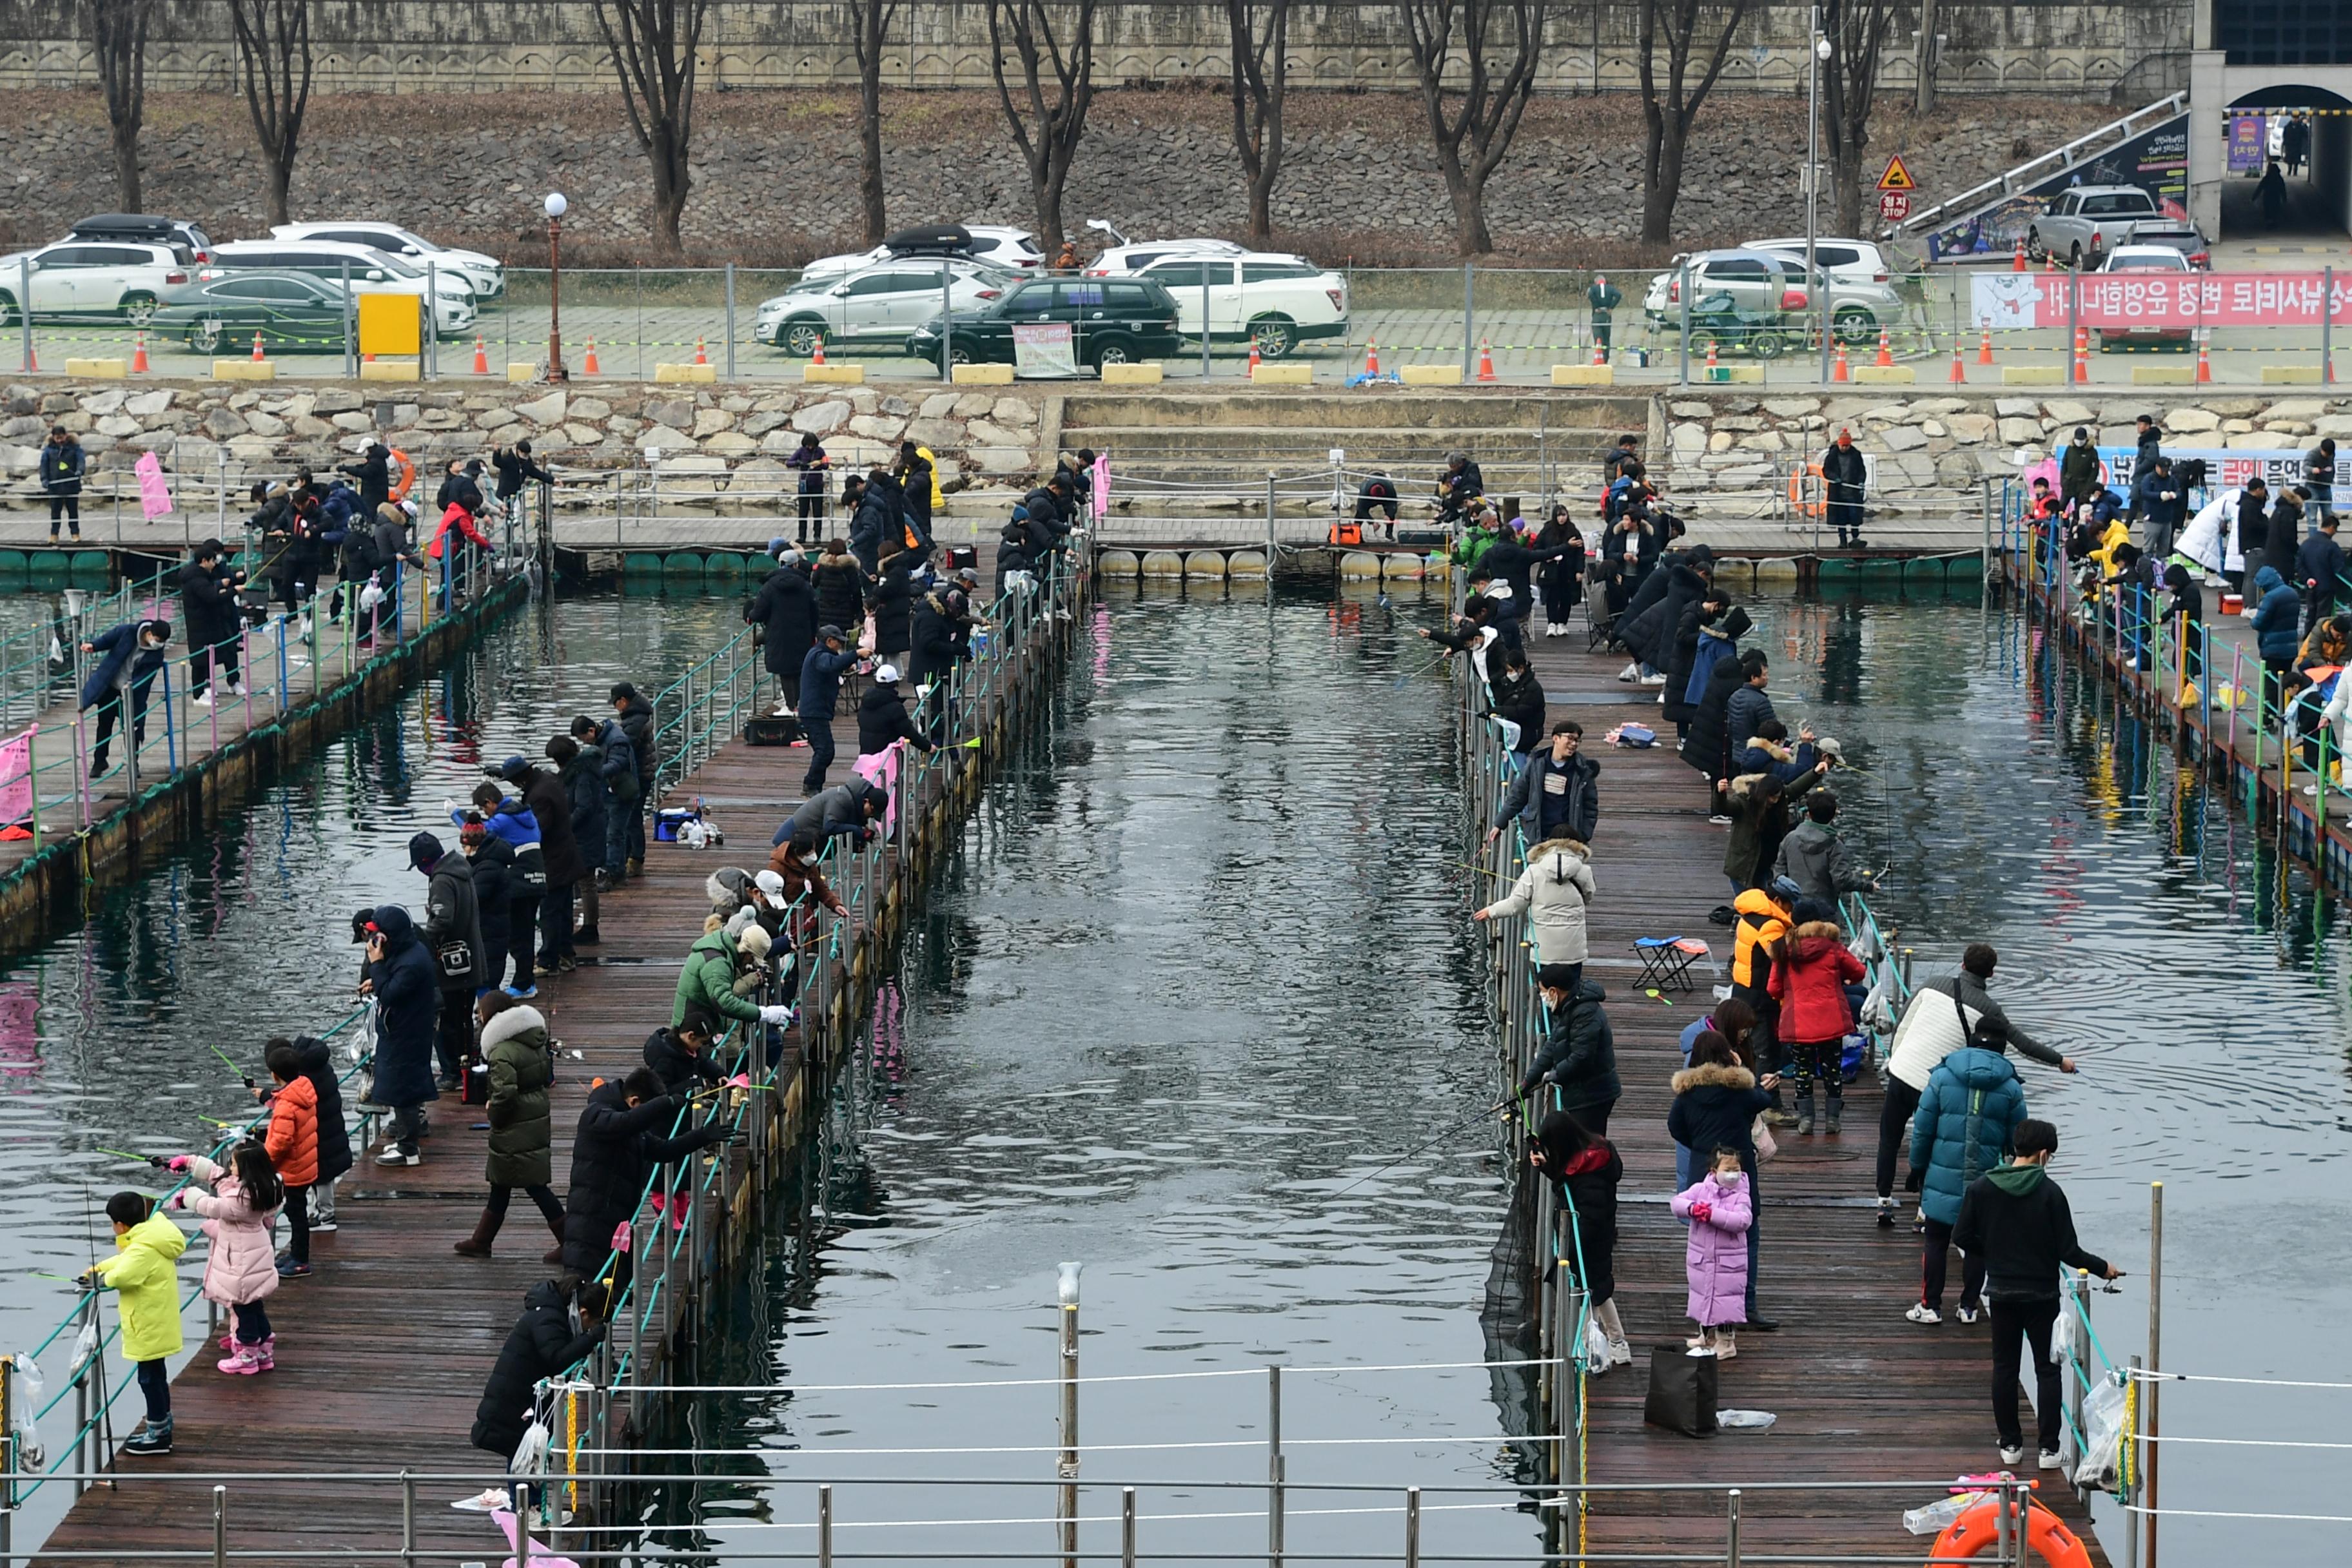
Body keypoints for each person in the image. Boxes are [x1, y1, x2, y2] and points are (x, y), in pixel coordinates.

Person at [1952, 1120, 2123, 1468]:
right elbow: (2069, 1252)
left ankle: (2010, 1446)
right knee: (2048, 1370)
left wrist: (1994, 1250)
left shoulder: (1983, 1188)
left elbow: (1962, 1237)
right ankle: (2048, 1449)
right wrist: (2104, 1267)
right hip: (2041, 1295)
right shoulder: (2050, 1193)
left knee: (2004, 1368)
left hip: (2000, 1292)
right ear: (2044, 1154)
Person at [1875, 943, 2078, 1226]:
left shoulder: (1932, 985)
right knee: (1936, 1146)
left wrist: (1896, 1059)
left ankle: (1884, 1201)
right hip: (1936, 1084)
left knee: (1889, 1138)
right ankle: (1924, 1212)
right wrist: (2060, 1061)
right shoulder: (1989, 1010)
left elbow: (1902, 1024)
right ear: (1991, 974)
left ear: (1962, 965)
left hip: (1901, 1072)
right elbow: (2023, 1045)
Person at [558, 1066, 740, 1289]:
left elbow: (664, 1150)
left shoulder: (632, 1130)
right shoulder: (596, 1116)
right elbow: (624, 1124)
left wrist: (702, 1136)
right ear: (634, 1102)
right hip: (590, 1221)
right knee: (584, 1288)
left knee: (612, 1290)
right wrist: (667, 1103)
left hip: (616, 1220)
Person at [1905, 1021, 2027, 1325]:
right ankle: (1969, 1307)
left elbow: (1922, 1129)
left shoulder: (1943, 1077)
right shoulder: (2011, 1088)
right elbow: (2019, 1142)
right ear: (2002, 1048)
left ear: (1971, 1042)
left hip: (1940, 1175)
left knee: (1935, 1239)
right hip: (1988, 1179)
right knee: (1977, 1243)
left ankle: (1930, 1306)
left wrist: (1916, 1168)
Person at [1666, 1030, 1779, 1330]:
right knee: (1747, 1236)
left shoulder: (1687, 1094)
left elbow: (1675, 1127)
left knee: (1704, 1243)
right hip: (1738, 1172)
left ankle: (1707, 1306)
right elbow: (1762, 1100)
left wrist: (1703, 1148)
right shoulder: (1739, 1090)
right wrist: (1748, 1072)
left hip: (1703, 1170)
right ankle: (1746, 1306)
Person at [472, 1279, 606, 1500]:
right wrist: (590, 1339)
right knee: (521, 1450)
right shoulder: (549, 1319)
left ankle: (530, 1505)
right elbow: (556, 1358)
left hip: (526, 1392)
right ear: (583, 1313)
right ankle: (527, 1507)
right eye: (595, 1321)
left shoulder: (552, 1313)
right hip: (517, 1395)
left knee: (528, 1448)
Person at [456, 993, 566, 1260]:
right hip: (534, 1117)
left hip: (515, 1125)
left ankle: (571, 1242)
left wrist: (493, 1110)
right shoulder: (532, 1040)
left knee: (534, 1185)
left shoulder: (501, 1051)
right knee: (502, 1183)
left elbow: (505, 1094)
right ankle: (481, 1241)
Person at [83, 1192, 188, 1455]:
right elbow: (124, 1260)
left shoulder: (143, 1248)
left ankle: (159, 1433)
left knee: (149, 1380)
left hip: (148, 1325)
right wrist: (98, 1269)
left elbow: (124, 1275)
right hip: (157, 1322)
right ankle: (162, 1424)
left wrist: (101, 1280)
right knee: (157, 1377)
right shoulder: (151, 1238)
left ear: (121, 1225)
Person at [163, 1142, 282, 1374]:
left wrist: (186, 1195)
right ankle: (264, 1348)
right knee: (253, 1304)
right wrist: (190, 1162)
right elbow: (224, 1178)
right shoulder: (265, 1187)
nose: (230, 1166)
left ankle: (247, 1353)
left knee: (242, 1305)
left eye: (235, 1163)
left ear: (246, 1170)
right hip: (255, 1252)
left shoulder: (240, 1200)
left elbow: (212, 1206)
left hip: (240, 1259)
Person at [1530, 1109, 1629, 1367]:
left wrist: (1567, 1253)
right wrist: (1547, 1168)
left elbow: (1588, 1215)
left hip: (1588, 1241)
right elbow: (1568, 1179)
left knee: (1585, 1293)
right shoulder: (1592, 1156)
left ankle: (1590, 1351)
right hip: (1595, 1237)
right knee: (1600, 1291)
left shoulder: (1589, 1178)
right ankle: (1618, 1344)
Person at [363, 903, 441, 1167]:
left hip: (406, 1033)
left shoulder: (412, 963)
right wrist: (378, 977)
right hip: (403, 1030)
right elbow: (390, 984)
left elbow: (390, 995)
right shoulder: (408, 953)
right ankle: (407, 1138)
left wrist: (376, 965)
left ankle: (409, 1149)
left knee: (404, 1088)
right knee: (400, 1085)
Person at [492, 754, 583, 977]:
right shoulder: (548, 780)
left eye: (512, 781)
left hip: (554, 861)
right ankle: (566, 955)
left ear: (521, 777)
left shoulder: (539, 796)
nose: (513, 785)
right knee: (563, 910)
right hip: (567, 856)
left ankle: (547, 960)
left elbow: (537, 831)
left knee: (550, 913)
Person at [411, 830, 487, 1093]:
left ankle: (452, 1072)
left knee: (446, 1019)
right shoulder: (462, 869)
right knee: (464, 1017)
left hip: (453, 966)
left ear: (424, 862)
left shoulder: (442, 880)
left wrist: (419, 940)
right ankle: (465, 1066)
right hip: (471, 958)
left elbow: (443, 920)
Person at [1477, 839, 1594, 994]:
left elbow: (1515, 905)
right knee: (1571, 992)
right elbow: (1588, 897)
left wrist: (1491, 911)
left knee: (1546, 993)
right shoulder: (1584, 871)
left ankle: (1551, 1016)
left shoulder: (1534, 872)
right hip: (1573, 949)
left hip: (1544, 949)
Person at [1669, 1147, 1755, 1359]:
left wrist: (1711, 1214)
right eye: (1728, 1169)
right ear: (1714, 1170)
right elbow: (1677, 1203)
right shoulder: (1700, 1189)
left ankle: (1726, 1342)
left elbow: (1742, 1221)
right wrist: (1692, 1208)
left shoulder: (1741, 1196)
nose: (1732, 1174)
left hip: (1728, 1263)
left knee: (1725, 1303)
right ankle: (1705, 1335)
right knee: (1703, 1296)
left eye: (1736, 1169)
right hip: (1702, 1259)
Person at [1516, 969, 1619, 1135]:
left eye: (1542, 992)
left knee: (1588, 1149)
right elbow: (1552, 1046)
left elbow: (1582, 1057)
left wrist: (1555, 1074)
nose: (1543, 998)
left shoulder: (1585, 1013)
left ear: (1553, 991)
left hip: (1593, 1096)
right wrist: (1529, 1080)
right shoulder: (1567, 1007)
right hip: (1579, 1092)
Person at [1673, 997, 1756, 1187]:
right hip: (1706, 1148)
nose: (1746, 1034)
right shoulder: (1704, 1058)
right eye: (1744, 1029)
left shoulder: (1723, 1049)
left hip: (1705, 1144)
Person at [79, 618, 170, 777]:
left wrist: (132, 687)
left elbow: (146, 676)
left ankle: (133, 763)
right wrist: (94, 646)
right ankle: (99, 761)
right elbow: (109, 639)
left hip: (133, 694)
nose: (158, 644)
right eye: (157, 640)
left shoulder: (156, 654)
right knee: (104, 725)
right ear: (149, 633)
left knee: (133, 729)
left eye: (162, 642)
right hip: (111, 686)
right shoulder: (128, 632)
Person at [257, 1043, 319, 1278]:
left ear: (275, 1075)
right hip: (305, 1164)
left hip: (292, 1170)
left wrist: (264, 1162)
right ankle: (296, 1253)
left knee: (296, 1214)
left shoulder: (286, 1105)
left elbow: (281, 1142)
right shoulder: (304, 1091)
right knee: (298, 1212)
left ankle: (301, 1259)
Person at [674, 916, 795, 1035]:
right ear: (745, 951)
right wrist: (763, 1014)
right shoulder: (716, 963)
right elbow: (724, 1002)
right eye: (752, 958)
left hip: (700, 1023)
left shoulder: (721, 948)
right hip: (692, 1032)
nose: (751, 962)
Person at [1487, 722, 1598, 851]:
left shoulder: (1583, 771)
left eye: (1577, 740)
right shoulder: (1536, 764)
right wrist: (1499, 824)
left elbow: (1591, 807)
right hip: (1538, 837)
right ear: (1556, 738)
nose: (1574, 744)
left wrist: (1583, 836)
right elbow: (1518, 796)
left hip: (1569, 840)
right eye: (1570, 738)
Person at [1772, 789, 1874, 908]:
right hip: (1824, 908)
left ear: (1808, 814)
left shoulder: (1790, 838)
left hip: (1793, 907)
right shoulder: (1835, 845)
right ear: (1832, 817)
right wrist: (1868, 886)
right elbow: (1841, 881)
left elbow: (1779, 873)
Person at [752, 545, 819, 717]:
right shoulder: (805, 586)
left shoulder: (769, 586)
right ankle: (799, 704)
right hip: (802, 633)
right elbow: (815, 611)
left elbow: (758, 613)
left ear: (780, 564)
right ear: (796, 565)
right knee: (799, 669)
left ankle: (791, 706)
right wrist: (814, 633)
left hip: (778, 634)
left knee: (785, 670)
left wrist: (750, 613)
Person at [573, 712, 638, 887]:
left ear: (592, 730)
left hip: (620, 793)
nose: (584, 742)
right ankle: (616, 870)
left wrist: (593, 772)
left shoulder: (617, 740)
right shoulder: (602, 740)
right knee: (612, 833)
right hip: (608, 793)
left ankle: (612, 873)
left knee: (614, 834)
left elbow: (617, 764)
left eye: (583, 738)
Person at [456, 812, 513, 1010]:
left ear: (474, 846)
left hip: (489, 932)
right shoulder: (487, 862)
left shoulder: (487, 868)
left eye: (465, 846)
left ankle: (488, 1017)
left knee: (485, 981)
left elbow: (475, 899)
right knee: (489, 979)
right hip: (493, 931)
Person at [179, 538, 246, 705]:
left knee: (224, 650)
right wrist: (232, 591)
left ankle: (230, 682)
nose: (215, 563)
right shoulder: (197, 579)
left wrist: (234, 582)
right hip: (200, 624)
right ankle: (200, 693)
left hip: (212, 621)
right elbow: (211, 597)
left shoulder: (201, 575)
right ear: (205, 561)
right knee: (201, 659)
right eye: (213, 560)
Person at [798, 625, 858, 795]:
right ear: (829, 641)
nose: (840, 645)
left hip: (818, 711)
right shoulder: (819, 655)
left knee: (824, 750)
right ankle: (810, 785)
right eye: (838, 642)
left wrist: (845, 665)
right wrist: (855, 655)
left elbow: (833, 666)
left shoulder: (820, 654)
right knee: (825, 750)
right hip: (813, 712)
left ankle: (815, 786)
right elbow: (830, 664)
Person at [2253, 564, 2304, 712]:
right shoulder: (2292, 593)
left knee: (2270, 684)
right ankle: (2284, 716)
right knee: (2285, 684)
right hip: (2290, 647)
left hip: (2272, 647)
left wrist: (2253, 619)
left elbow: (2259, 623)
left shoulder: (2270, 598)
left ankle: (2268, 719)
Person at [1482, 647, 1546, 758]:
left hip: (1525, 734)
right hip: (1512, 732)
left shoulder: (1533, 689)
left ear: (1521, 669)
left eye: (1511, 671)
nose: (1508, 674)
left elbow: (1521, 712)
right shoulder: (1511, 683)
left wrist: (1497, 711)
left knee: (1518, 763)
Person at [1533, 505, 1585, 636]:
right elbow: (1538, 547)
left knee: (1566, 597)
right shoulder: (1547, 529)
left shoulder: (1573, 530)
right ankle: (1552, 623)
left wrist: (1580, 570)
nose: (1561, 518)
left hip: (1568, 569)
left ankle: (1563, 623)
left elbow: (1580, 552)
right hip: (1551, 569)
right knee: (1552, 597)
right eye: (1559, 515)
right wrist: (1546, 557)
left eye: (1564, 515)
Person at [2297, 512, 2345, 631]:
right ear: (2331, 527)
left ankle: (2308, 639)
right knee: (2323, 616)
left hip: (2310, 585)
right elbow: (2339, 569)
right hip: (2326, 586)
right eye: (2335, 529)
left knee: (2311, 613)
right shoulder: (2332, 546)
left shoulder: (2306, 544)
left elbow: (2299, 565)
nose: (2335, 533)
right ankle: (2321, 640)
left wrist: (2307, 578)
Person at [1821, 428, 1868, 549]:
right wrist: (1835, 478)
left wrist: (1861, 483)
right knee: (1840, 518)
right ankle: (1843, 540)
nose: (1844, 448)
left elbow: (1862, 471)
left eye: (1847, 446)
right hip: (1838, 492)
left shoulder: (1856, 455)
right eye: (1843, 445)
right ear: (1839, 444)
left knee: (1854, 516)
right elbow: (1826, 470)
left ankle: (1855, 538)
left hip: (1852, 492)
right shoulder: (1832, 455)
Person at [2133, 455, 2184, 558]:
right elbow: (2145, 493)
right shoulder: (2149, 479)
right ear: (2157, 467)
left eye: (2166, 470)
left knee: (2164, 549)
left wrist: (2174, 495)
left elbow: (2179, 493)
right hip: (2153, 518)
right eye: (2162, 470)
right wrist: (2159, 495)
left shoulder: (2171, 480)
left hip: (2167, 519)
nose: (2164, 472)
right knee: (2149, 547)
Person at [41, 425, 84, 542]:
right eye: (57, 438)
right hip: (55, 487)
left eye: (62, 437)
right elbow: (44, 466)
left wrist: (80, 471)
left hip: (71, 486)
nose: (60, 440)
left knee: (73, 512)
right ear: (53, 437)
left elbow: (81, 461)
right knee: (55, 512)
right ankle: (54, 535)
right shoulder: (48, 451)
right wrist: (44, 480)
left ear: (66, 436)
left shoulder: (75, 449)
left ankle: (75, 534)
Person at [788, 433, 831, 543]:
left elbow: (827, 465)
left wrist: (819, 464)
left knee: (818, 511)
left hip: (817, 484)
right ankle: (802, 535)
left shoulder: (820, 451)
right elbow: (789, 463)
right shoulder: (801, 451)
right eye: (808, 445)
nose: (810, 447)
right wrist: (799, 463)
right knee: (803, 511)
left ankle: (817, 535)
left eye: (812, 445)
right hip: (804, 485)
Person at [1586, 272, 1622, 360]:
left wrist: (1596, 305)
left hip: (1597, 315)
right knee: (1606, 338)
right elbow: (1618, 295)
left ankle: (1599, 357)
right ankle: (1606, 358)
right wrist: (1611, 307)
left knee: (1598, 337)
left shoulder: (1593, 288)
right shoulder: (1610, 288)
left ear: (1596, 282)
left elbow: (1589, 295)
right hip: (1606, 315)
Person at [1354, 472, 1400, 540]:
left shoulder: (1389, 487)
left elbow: (1393, 504)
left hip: (1385, 497)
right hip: (1369, 499)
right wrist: (1372, 522)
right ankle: (1356, 534)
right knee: (1359, 515)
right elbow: (1361, 509)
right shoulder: (1364, 490)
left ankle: (1389, 534)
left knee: (1391, 515)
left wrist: (1389, 515)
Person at [2257, 157, 2288, 230]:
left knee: (2268, 211)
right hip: (2276, 197)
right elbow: (2283, 189)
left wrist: (2254, 197)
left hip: (2267, 197)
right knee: (2275, 211)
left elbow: (2260, 188)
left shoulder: (2267, 178)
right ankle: (2274, 223)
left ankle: (2269, 224)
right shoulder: (2279, 178)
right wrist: (2284, 199)